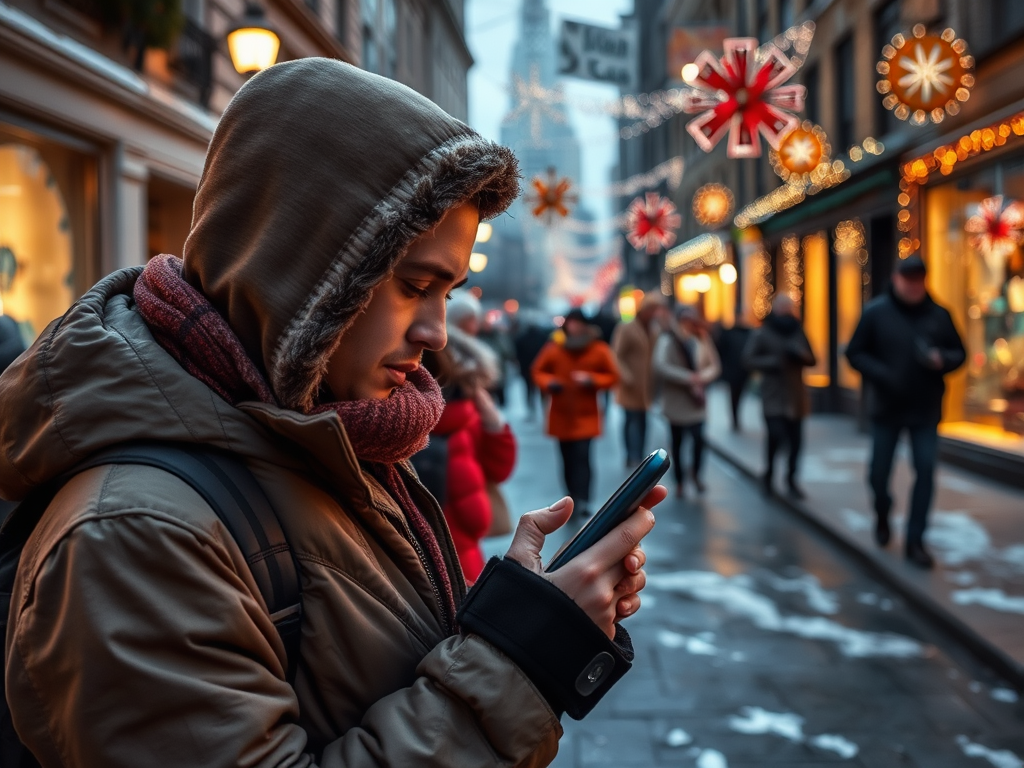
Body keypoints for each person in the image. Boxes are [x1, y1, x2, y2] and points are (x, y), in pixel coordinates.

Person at [0, 58, 665, 767]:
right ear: (307, 275)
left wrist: (527, 609)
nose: (438, 332)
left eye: (450, 290)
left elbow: (360, 658)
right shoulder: (134, 533)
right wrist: (524, 659)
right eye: (415, 286)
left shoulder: (322, 427)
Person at [846, 255, 965, 569]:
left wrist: (943, 359)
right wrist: (882, 375)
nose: (913, 286)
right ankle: (883, 511)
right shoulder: (876, 313)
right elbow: (854, 353)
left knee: (925, 471)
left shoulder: (939, 315)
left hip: (925, 409)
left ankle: (916, 540)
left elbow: (960, 353)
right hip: (887, 408)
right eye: (908, 280)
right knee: (878, 474)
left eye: (918, 280)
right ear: (896, 279)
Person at [422, 323, 516, 584]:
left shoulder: (467, 416)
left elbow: (498, 470)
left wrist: (494, 425)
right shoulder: (419, 429)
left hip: (467, 556)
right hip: (444, 565)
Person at [532, 308, 620, 517]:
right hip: (561, 414)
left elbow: (613, 376)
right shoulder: (554, 348)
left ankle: (584, 498)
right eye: (570, 323)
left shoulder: (598, 349)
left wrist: (592, 380)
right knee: (567, 459)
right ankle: (570, 498)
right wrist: (550, 383)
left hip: (586, 415)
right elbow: (538, 371)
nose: (573, 327)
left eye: (577, 322)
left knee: (583, 458)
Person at [742, 295, 816, 499]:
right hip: (773, 396)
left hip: (796, 397)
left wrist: (800, 355)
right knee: (776, 437)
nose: (786, 311)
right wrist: (774, 361)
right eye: (782, 307)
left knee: (796, 442)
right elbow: (748, 359)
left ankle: (791, 480)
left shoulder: (798, 330)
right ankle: (769, 475)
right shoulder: (763, 332)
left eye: (788, 308)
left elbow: (812, 358)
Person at [653, 305, 721, 497]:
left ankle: (697, 474)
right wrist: (687, 378)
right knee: (678, 443)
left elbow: (714, 365)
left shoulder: (701, 337)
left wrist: (701, 377)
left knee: (699, 439)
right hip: (677, 401)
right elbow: (661, 366)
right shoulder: (668, 338)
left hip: (696, 400)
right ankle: (680, 480)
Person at [611, 293, 668, 467]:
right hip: (630, 385)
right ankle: (630, 454)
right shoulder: (627, 328)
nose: (654, 314)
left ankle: (641, 454)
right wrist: (626, 376)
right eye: (652, 309)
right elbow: (616, 355)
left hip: (646, 386)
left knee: (643, 420)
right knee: (630, 420)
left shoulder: (655, 329)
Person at [714, 320, 753, 431]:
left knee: (738, 396)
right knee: (734, 396)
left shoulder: (748, 333)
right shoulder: (730, 333)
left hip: (742, 371)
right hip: (734, 370)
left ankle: (735, 418)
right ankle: (735, 419)